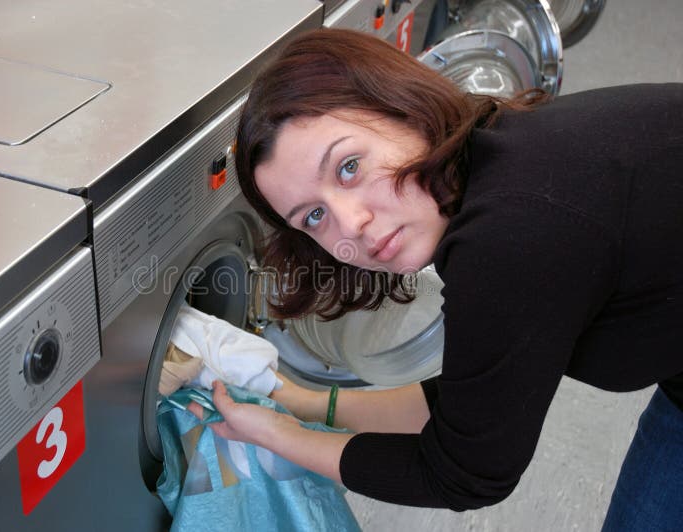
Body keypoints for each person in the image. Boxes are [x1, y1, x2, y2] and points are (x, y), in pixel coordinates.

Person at [188, 28, 683, 528]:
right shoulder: (498, 155)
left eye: (349, 166)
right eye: (312, 217)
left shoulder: (511, 236)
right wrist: (300, 402)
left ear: (403, 109)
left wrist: (277, 436)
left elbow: (466, 471)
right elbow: (472, 404)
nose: (350, 224)